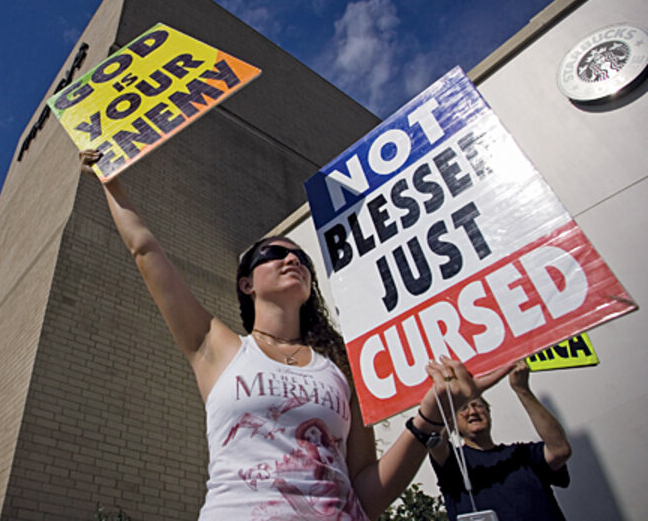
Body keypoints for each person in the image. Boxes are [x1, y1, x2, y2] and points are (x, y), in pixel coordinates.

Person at [79, 149, 499, 520]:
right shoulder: (216, 345)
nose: (290, 259)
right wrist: (110, 182)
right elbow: (145, 250)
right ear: (246, 284)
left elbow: (367, 495)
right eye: (273, 254)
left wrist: (426, 420)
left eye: (299, 257)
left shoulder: (340, 369)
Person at [429, 360, 573, 520]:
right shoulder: (453, 463)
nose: (472, 411)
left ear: (489, 414)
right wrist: (451, 399)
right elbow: (434, 441)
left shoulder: (523, 455)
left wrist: (522, 389)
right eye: (463, 408)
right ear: (453, 423)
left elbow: (560, 450)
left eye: (478, 405)